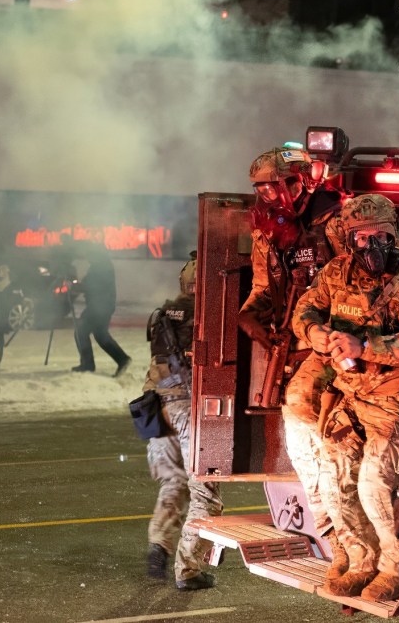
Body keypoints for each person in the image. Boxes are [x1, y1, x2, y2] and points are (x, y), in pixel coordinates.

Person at [292, 193, 399, 602]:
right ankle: (361, 562)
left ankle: (398, 566)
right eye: (362, 237)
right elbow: (304, 311)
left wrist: (364, 347)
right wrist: (315, 334)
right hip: (350, 398)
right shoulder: (335, 273)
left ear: (394, 234)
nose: (373, 245)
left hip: (395, 406)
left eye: (382, 235)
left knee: (373, 487)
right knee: (335, 483)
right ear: (349, 239)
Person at [236, 146, 350, 578]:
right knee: (304, 451)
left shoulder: (338, 219)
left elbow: (366, 286)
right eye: (262, 189)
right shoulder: (268, 230)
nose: (269, 195)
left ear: (300, 180)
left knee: (328, 445)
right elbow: (264, 287)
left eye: (275, 186)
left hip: (338, 343)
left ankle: (352, 545)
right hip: (295, 346)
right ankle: (337, 542)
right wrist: (249, 316)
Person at [143, 252, 223, 591]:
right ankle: (188, 569)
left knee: (173, 482)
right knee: (205, 490)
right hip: (190, 409)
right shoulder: (210, 315)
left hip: (156, 408)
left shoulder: (164, 314)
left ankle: (158, 545)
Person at [70, 241, 131, 377]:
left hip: (98, 306)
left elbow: (91, 285)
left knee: (81, 331)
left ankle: (88, 365)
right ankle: (122, 359)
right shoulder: (101, 264)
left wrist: (75, 285)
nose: (85, 256)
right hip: (102, 305)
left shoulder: (100, 267)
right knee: (100, 335)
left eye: (88, 253)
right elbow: (90, 284)